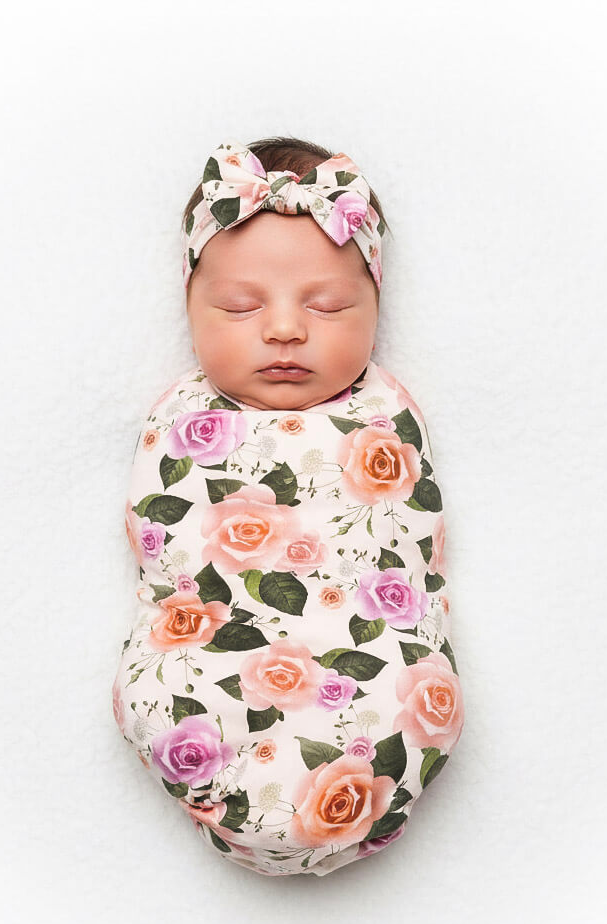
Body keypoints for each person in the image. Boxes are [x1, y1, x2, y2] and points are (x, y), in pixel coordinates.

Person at [112, 137, 463, 877]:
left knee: (408, 674)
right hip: (213, 653)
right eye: (240, 305)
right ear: (188, 305)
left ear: (376, 304)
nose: (283, 329)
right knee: (176, 681)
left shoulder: (377, 418)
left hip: (367, 672)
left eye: (328, 304)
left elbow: (408, 561)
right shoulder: (187, 422)